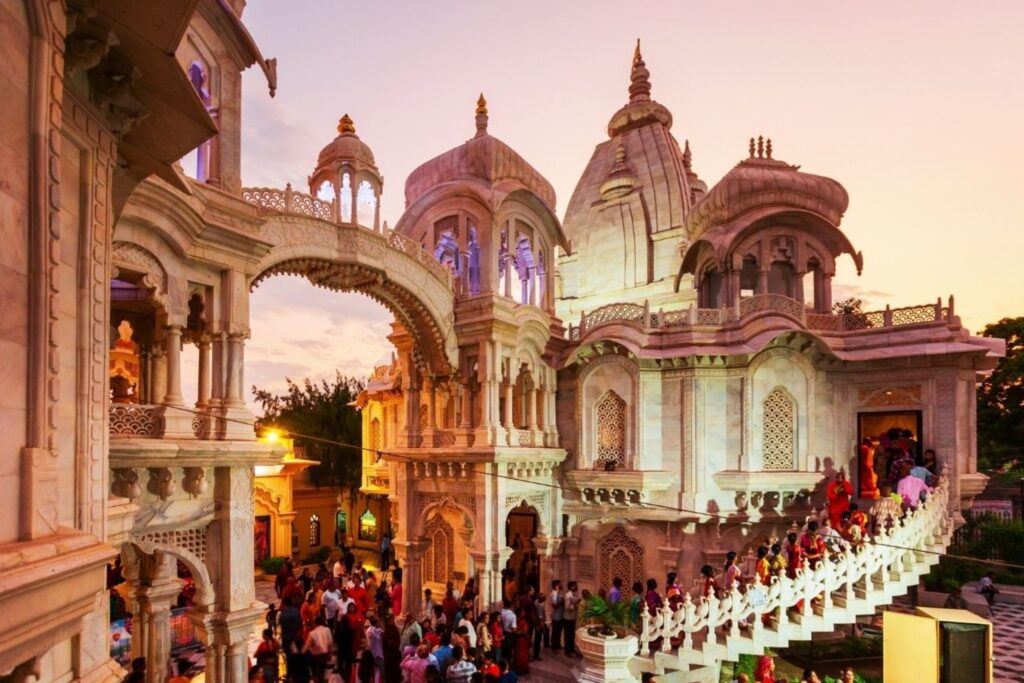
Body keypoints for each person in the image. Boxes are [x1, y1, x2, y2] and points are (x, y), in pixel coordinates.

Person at [303, 616, 333, 682]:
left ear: (315, 623)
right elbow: (330, 643)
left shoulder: (312, 633)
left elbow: (306, 646)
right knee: (322, 672)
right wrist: (330, 654)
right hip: (325, 655)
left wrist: (301, 652)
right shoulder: (327, 630)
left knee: (317, 675)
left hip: (315, 657)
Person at [563, 581, 580, 657]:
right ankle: (567, 651)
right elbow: (567, 607)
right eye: (576, 586)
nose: (577, 587)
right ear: (572, 587)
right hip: (568, 618)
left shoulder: (573, 595)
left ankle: (572, 648)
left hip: (572, 618)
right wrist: (575, 604)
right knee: (568, 635)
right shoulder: (567, 596)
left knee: (572, 635)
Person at [513, 609, 530, 674]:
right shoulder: (523, 622)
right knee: (522, 654)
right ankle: (522, 669)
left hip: (518, 639)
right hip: (523, 640)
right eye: (523, 612)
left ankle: (518, 668)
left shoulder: (516, 621)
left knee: (518, 653)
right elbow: (525, 632)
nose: (524, 612)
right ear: (520, 614)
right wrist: (529, 639)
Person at [549, 580, 564, 651]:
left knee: (559, 631)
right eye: (560, 584)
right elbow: (554, 605)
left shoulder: (558, 593)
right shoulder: (554, 594)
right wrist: (562, 602)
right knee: (555, 632)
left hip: (560, 615)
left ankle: (558, 644)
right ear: (557, 585)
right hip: (556, 616)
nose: (562, 585)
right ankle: (554, 647)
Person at [532, 592, 548, 661]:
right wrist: (542, 626)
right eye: (544, 597)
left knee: (537, 639)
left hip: (538, 623)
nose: (545, 598)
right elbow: (540, 617)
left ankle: (537, 653)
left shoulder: (536, 601)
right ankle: (536, 655)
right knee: (537, 640)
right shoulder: (539, 605)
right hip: (539, 624)